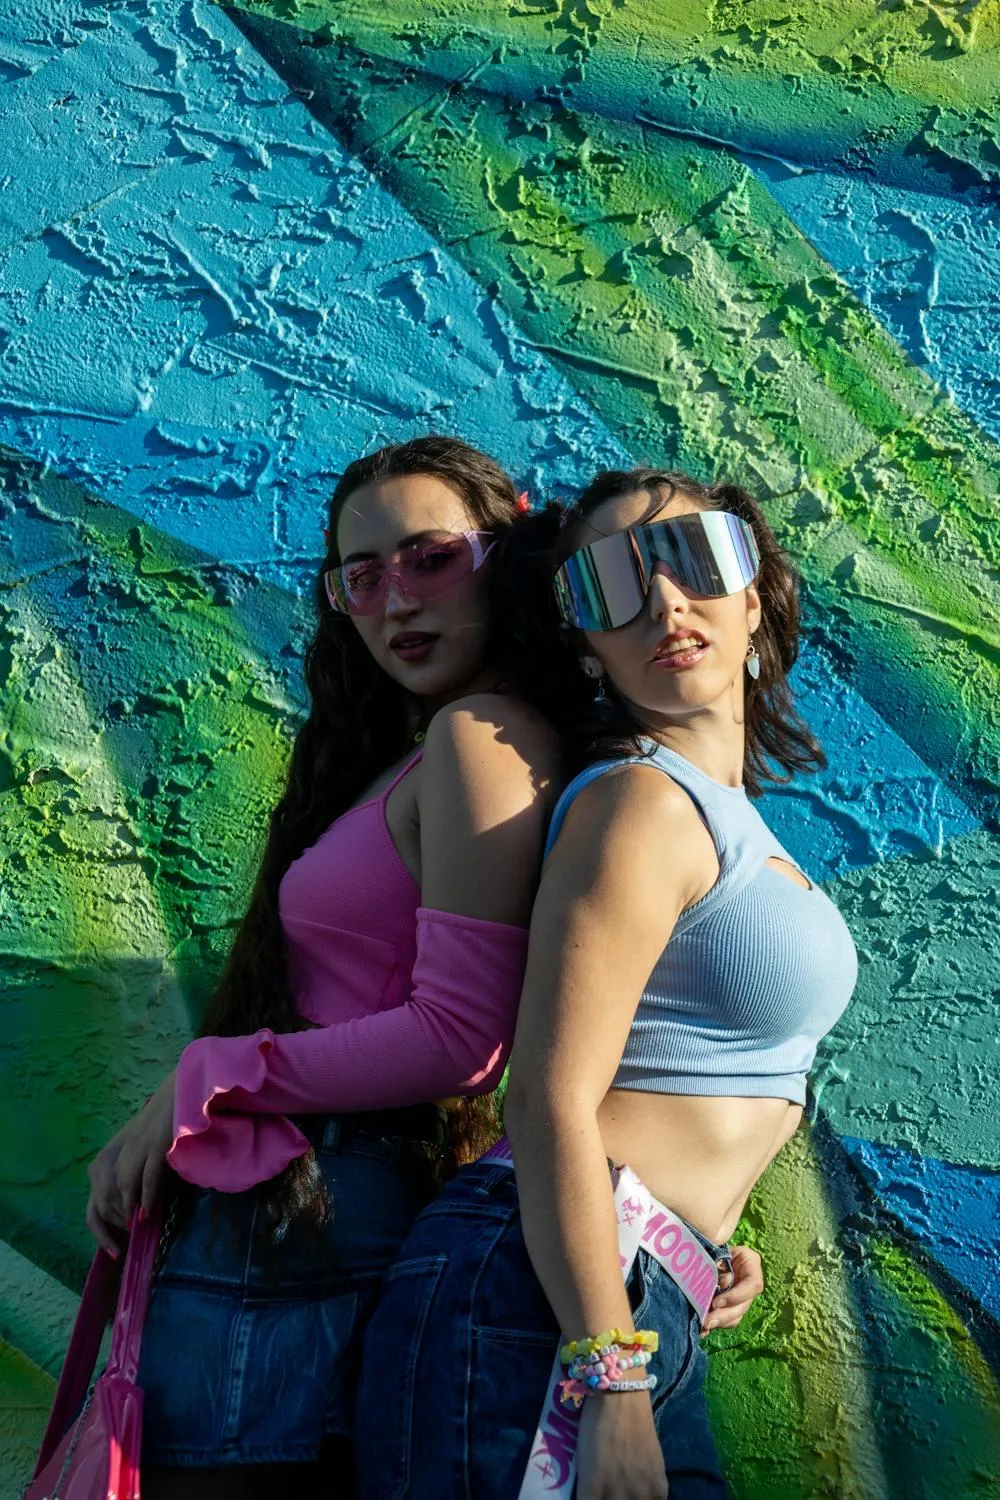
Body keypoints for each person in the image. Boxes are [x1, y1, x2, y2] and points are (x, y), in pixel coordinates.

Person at [354, 468, 858, 1500]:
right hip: (558, 1314)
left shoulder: (723, 819)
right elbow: (544, 1096)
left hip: (630, 1291)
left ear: (753, 596)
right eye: (611, 588)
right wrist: (610, 1371)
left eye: (692, 561)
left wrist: (700, 1240)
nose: (664, 605)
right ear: (585, 641)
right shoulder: (639, 803)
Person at [83, 436, 571, 1499]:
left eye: (432, 557)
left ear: (507, 551)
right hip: (304, 1215)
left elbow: (459, 1038)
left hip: (316, 1214)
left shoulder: (480, 737)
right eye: (362, 576)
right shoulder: (425, 747)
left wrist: (208, 1076)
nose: (396, 598)